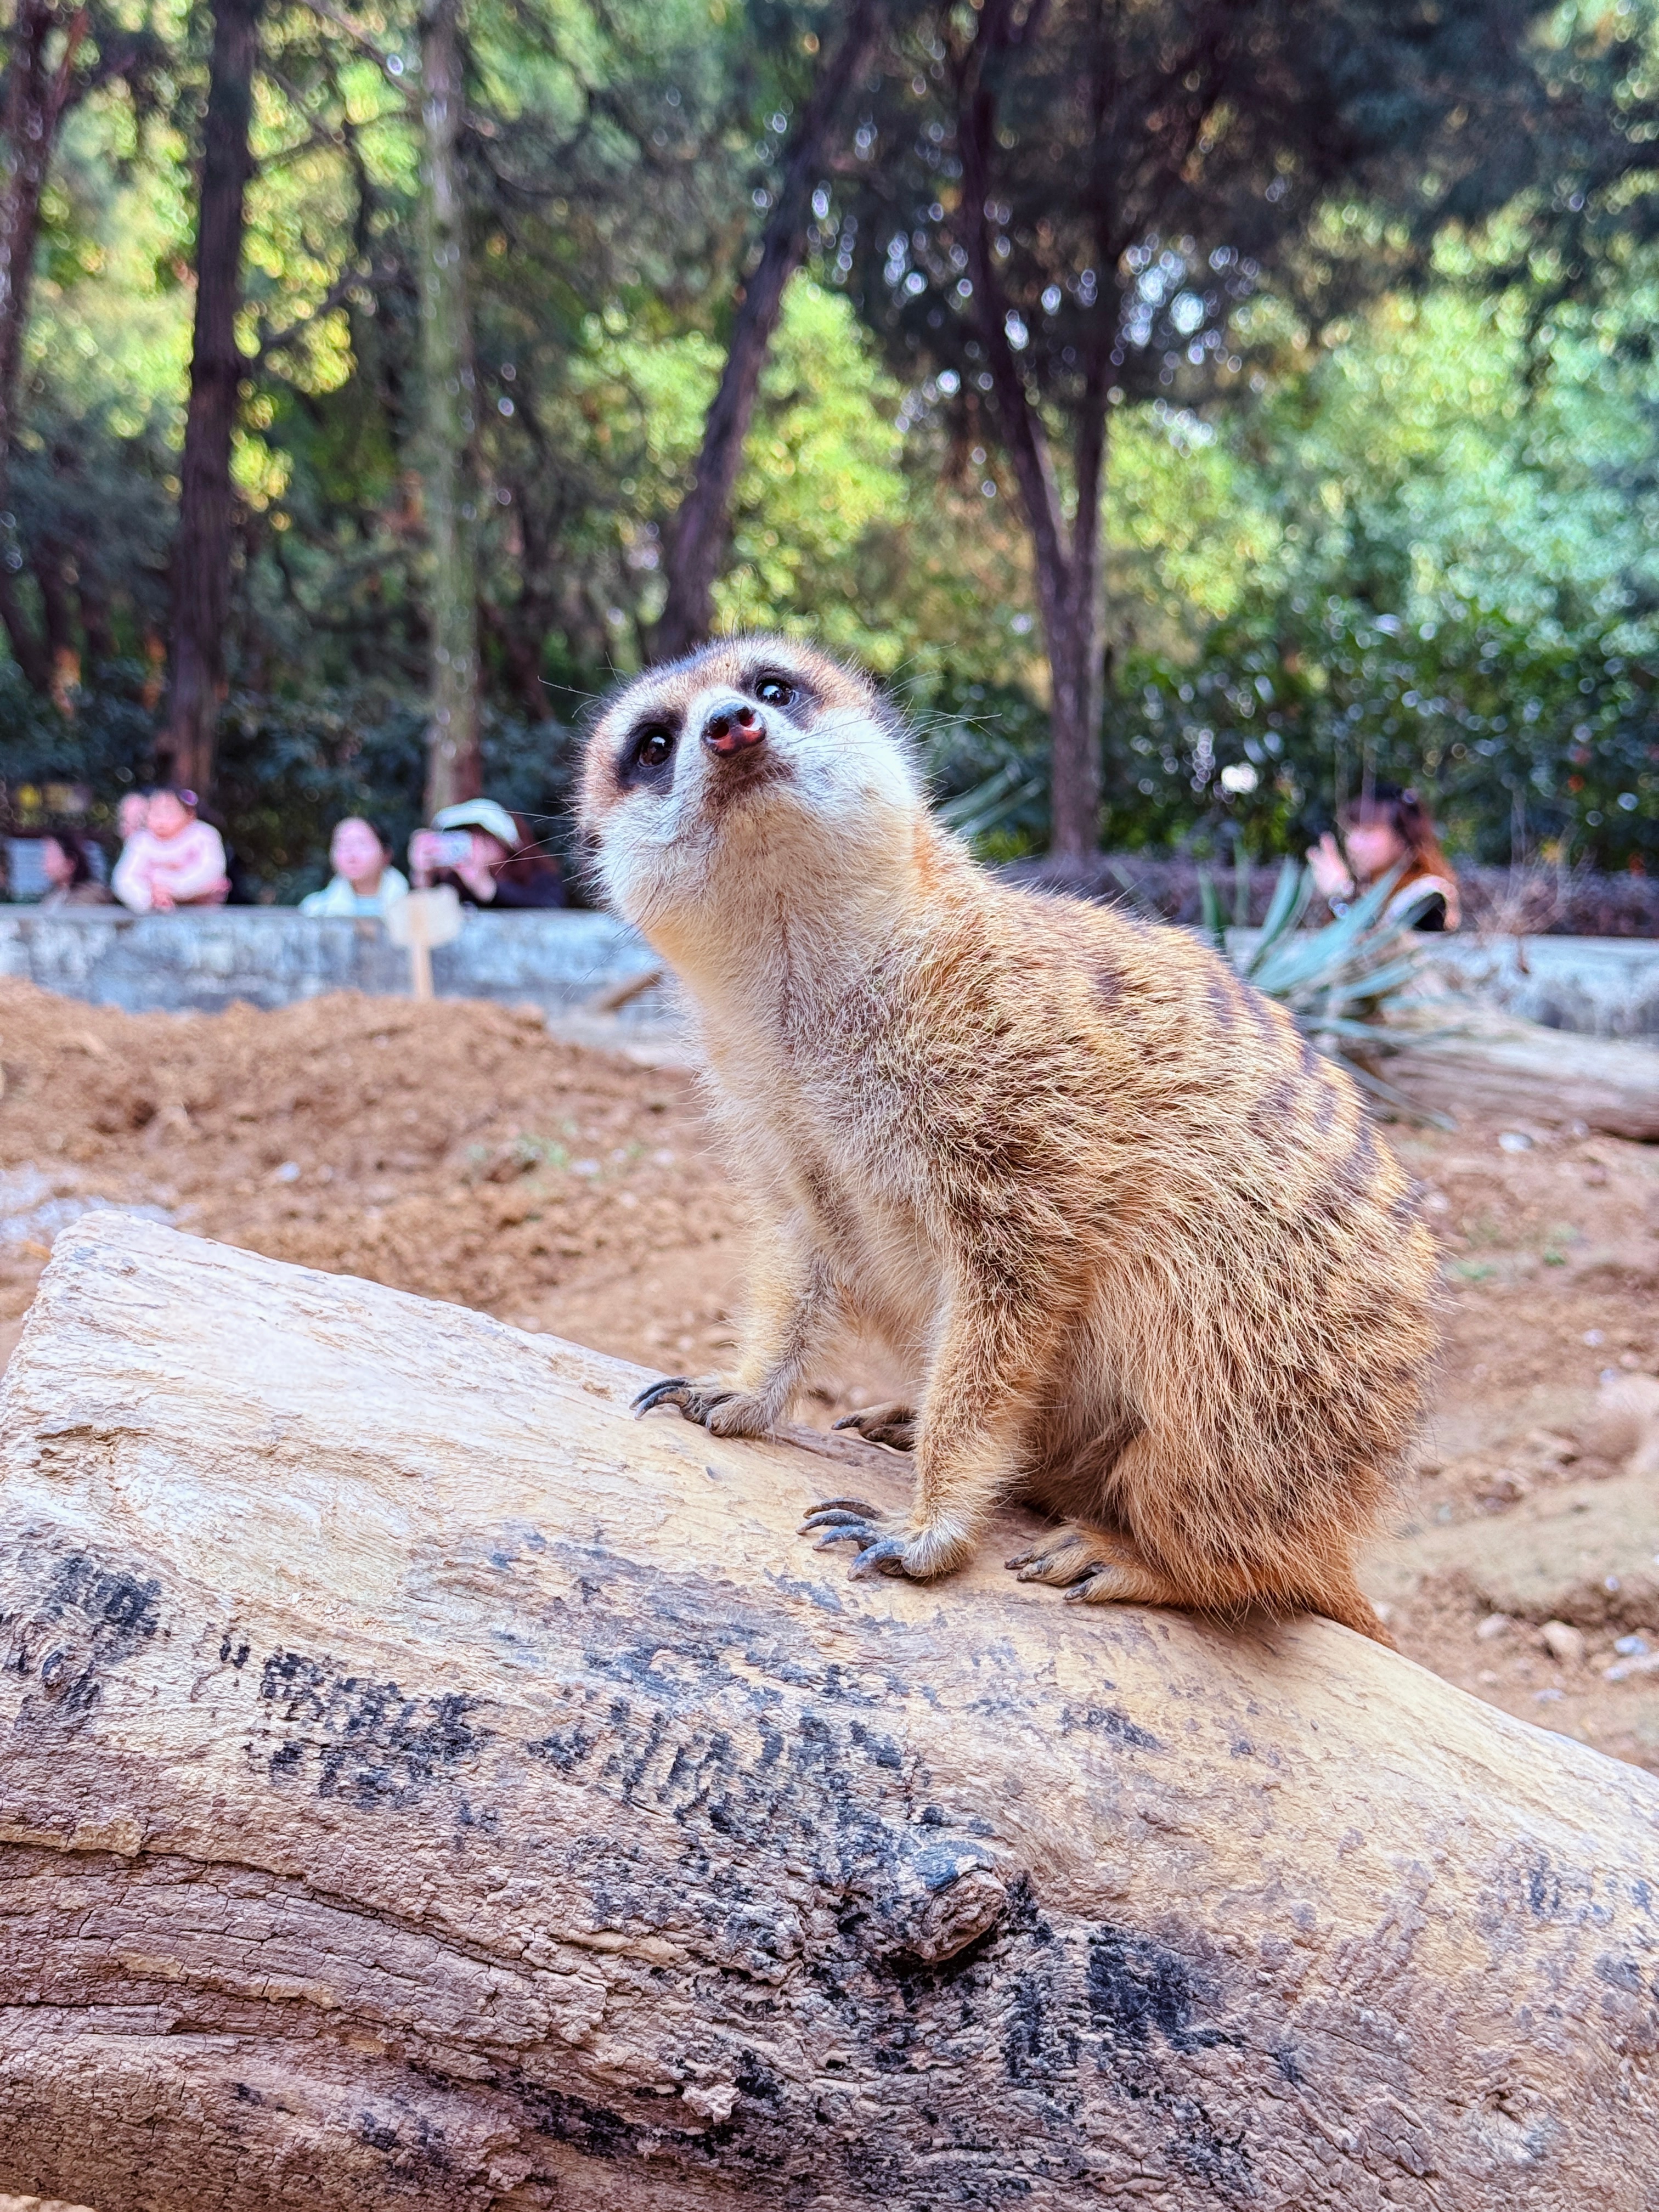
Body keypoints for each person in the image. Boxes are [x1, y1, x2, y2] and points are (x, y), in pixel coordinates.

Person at [1307, 780, 1461, 932]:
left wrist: (1342, 895)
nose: (1353, 844)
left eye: (1367, 832)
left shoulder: (1426, 897)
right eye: (1350, 832)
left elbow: (1377, 950)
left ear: (1403, 838)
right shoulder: (1370, 893)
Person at [408, 798, 565, 909]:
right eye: (470, 835)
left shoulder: (536, 874)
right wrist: (423, 876)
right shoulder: (457, 882)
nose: (477, 845)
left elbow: (551, 907)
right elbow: (425, 921)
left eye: (485, 837)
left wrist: (491, 890)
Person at [111, 787, 230, 913]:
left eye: (168, 812)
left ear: (190, 815)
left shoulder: (204, 835)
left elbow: (211, 870)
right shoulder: (140, 841)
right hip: (156, 909)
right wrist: (148, 898)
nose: (161, 820)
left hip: (203, 910)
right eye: (156, 813)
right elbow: (124, 879)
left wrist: (173, 888)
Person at [299, 816, 409, 916]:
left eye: (361, 844)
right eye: (342, 844)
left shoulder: (412, 907)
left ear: (386, 854)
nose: (351, 854)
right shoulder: (316, 910)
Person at [38, 827, 112, 908]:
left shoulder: (89, 897)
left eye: (51, 857)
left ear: (70, 863)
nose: (45, 863)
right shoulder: (54, 896)